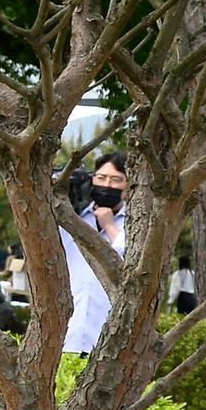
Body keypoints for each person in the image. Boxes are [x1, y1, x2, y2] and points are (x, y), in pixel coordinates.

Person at [62, 151, 126, 354]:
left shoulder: (134, 222)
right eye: (101, 178)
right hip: (66, 334)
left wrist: (109, 226)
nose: (106, 185)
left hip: (104, 338)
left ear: (128, 186)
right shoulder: (74, 217)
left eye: (115, 180)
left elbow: (129, 259)